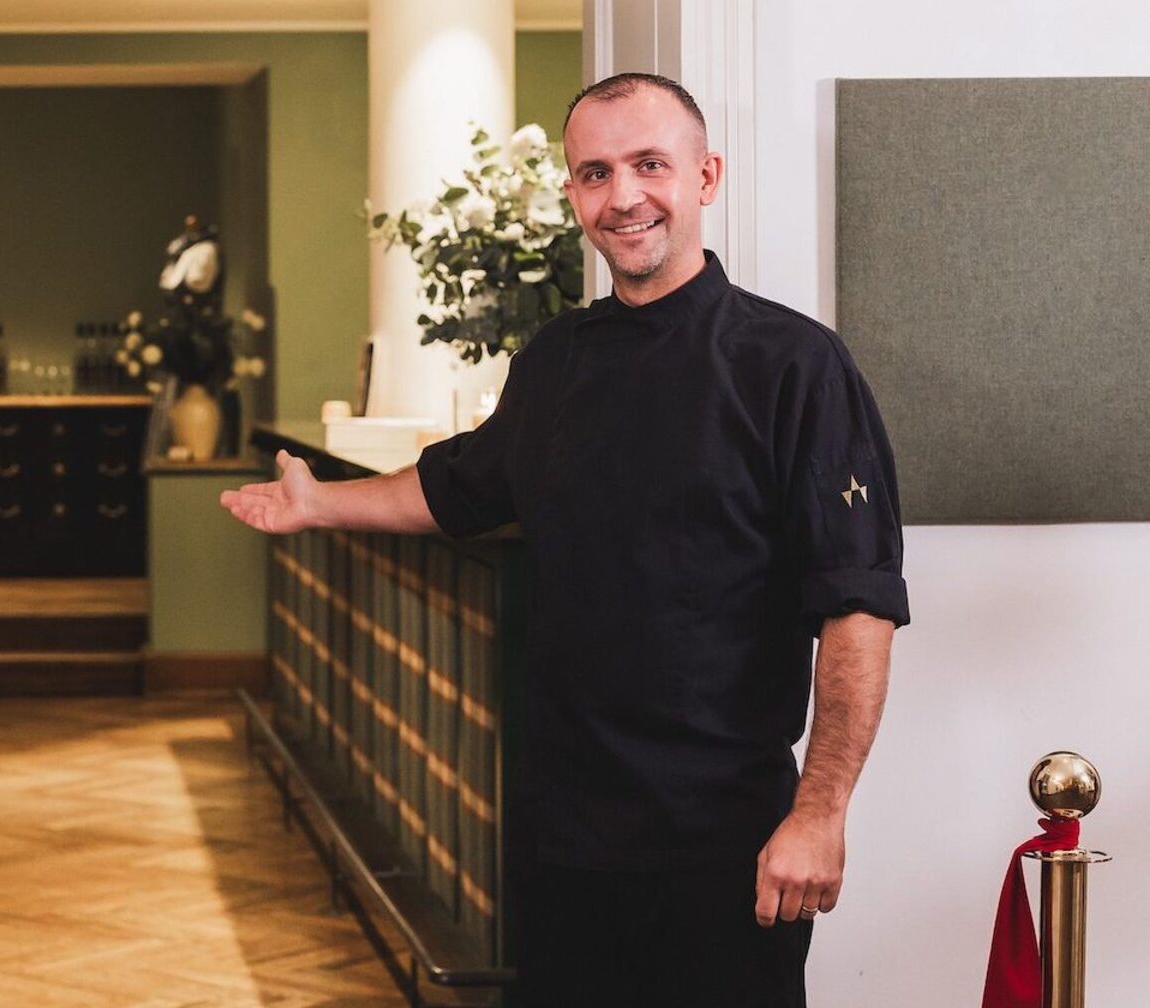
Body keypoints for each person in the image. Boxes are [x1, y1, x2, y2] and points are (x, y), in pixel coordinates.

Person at [220, 74, 908, 1007]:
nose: (622, 196)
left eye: (649, 165)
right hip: (561, 833)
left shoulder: (794, 367)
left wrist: (819, 814)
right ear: (575, 194)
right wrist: (321, 504)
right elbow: (457, 486)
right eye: (595, 173)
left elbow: (858, 603)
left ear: (706, 177)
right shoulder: (555, 362)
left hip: (724, 843)